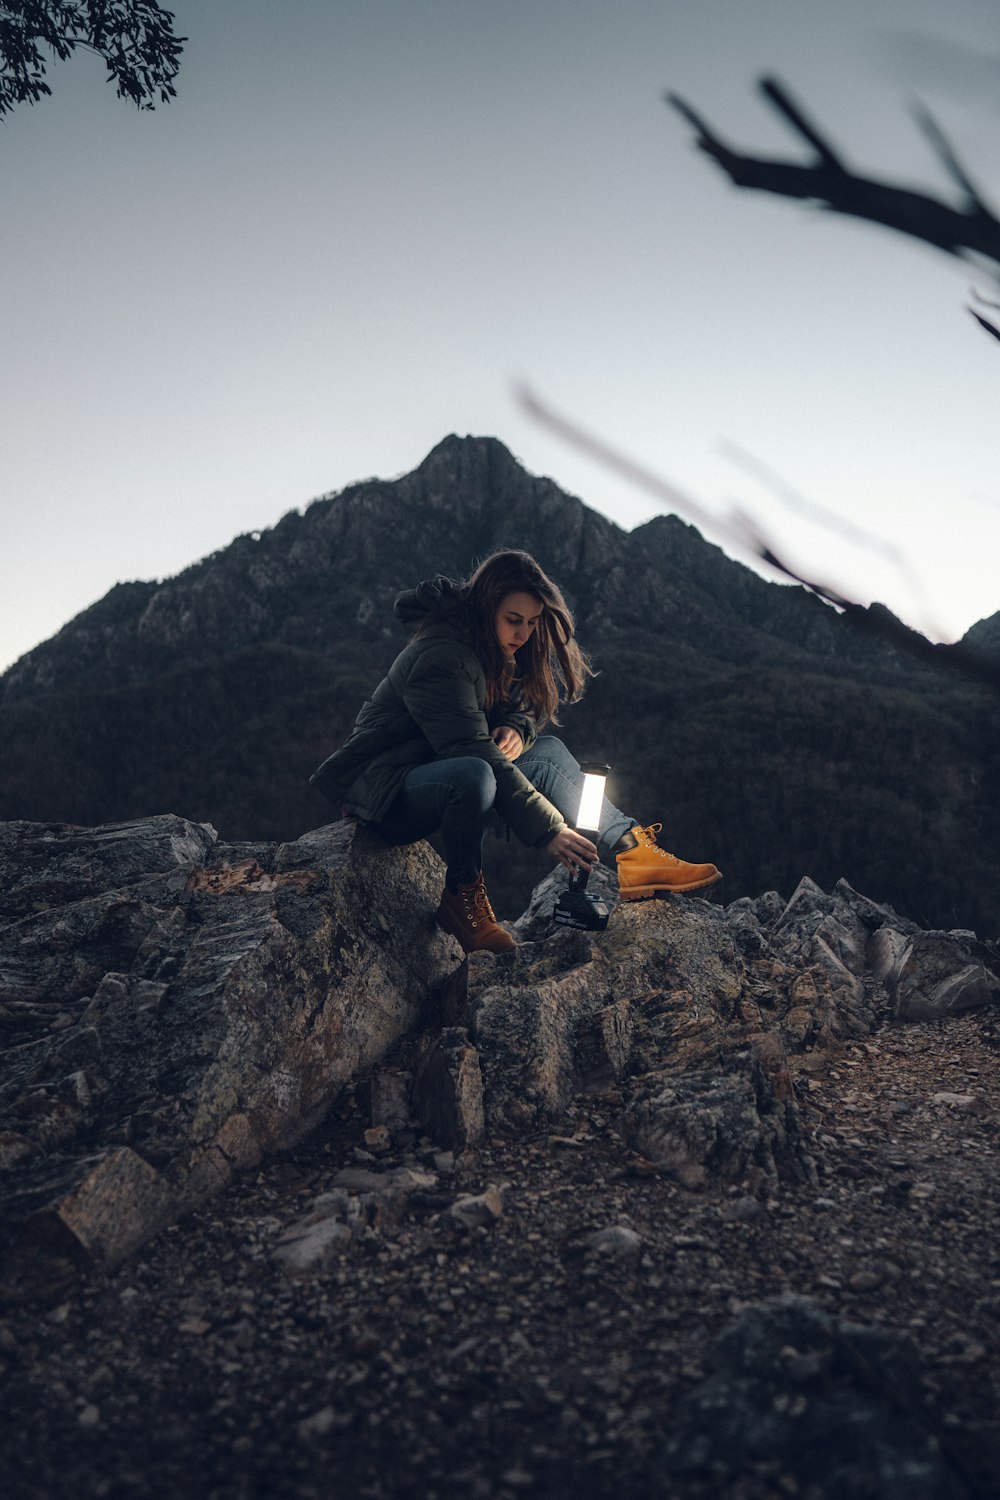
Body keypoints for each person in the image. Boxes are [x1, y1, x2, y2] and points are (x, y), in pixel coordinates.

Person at [310, 551, 721, 954]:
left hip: (442, 769)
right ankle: (462, 898)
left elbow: (515, 711)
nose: (524, 634)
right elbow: (470, 750)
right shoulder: (441, 656)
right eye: (514, 620)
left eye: (532, 622)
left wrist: (517, 729)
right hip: (388, 793)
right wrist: (548, 830)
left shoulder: (491, 649)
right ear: (486, 608)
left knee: (548, 751)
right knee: (475, 773)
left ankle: (633, 850)